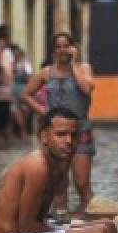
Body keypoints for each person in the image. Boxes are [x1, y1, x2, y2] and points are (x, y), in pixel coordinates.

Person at [21, 31, 96, 212]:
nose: (62, 50)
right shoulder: (46, 73)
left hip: (81, 130)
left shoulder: (83, 68)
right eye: (58, 46)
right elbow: (25, 94)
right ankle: (60, 225)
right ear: (53, 51)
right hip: (56, 133)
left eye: (66, 46)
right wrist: (44, 113)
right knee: (58, 185)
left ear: (72, 48)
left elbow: (86, 89)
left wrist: (73, 63)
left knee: (82, 183)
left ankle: (91, 220)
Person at [10, 43, 35, 139]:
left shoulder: (25, 64)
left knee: (23, 111)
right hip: (15, 90)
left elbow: (30, 77)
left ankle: (23, 130)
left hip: (23, 90)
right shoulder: (13, 64)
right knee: (16, 110)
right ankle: (22, 130)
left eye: (17, 54)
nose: (16, 55)